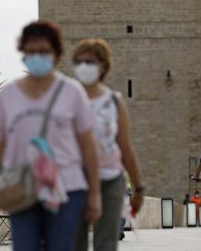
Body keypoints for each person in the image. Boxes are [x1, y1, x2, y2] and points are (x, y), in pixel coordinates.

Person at [0, 21, 101, 251]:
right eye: (31, 51)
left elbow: (88, 146)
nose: (37, 56)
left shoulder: (72, 92)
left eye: (43, 51)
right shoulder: (9, 95)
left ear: (56, 54)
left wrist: (94, 193)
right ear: (23, 53)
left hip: (67, 189)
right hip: (22, 188)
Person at [72, 39, 145, 251]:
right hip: (75, 180)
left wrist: (138, 187)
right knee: (75, 243)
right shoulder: (68, 99)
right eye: (80, 61)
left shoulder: (114, 101)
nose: (84, 66)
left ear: (103, 65)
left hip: (111, 179)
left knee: (106, 244)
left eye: (90, 61)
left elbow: (125, 147)